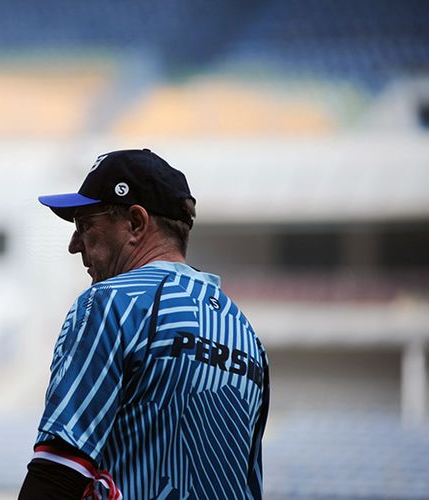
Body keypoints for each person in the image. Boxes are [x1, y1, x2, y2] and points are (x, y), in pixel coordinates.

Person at [19, 149, 269, 500]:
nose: (74, 245)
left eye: (85, 225)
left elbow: (60, 468)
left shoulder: (108, 303)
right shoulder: (245, 334)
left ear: (135, 223)